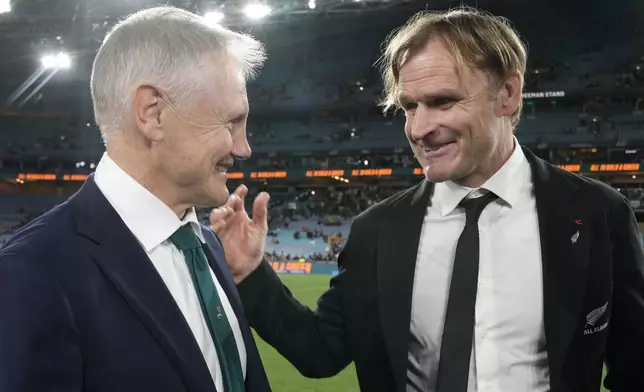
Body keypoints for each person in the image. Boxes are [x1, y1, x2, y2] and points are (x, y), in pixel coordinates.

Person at [211, 7, 644, 392]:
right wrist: (250, 273)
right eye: (408, 107)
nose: (418, 129)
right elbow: (320, 352)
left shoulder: (595, 214)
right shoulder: (376, 232)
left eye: (441, 102)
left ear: (508, 94)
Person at [0, 6, 271, 392]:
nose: (243, 148)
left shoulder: (205, 243)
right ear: (153, 113)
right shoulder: (35, 272)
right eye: (231, 122)